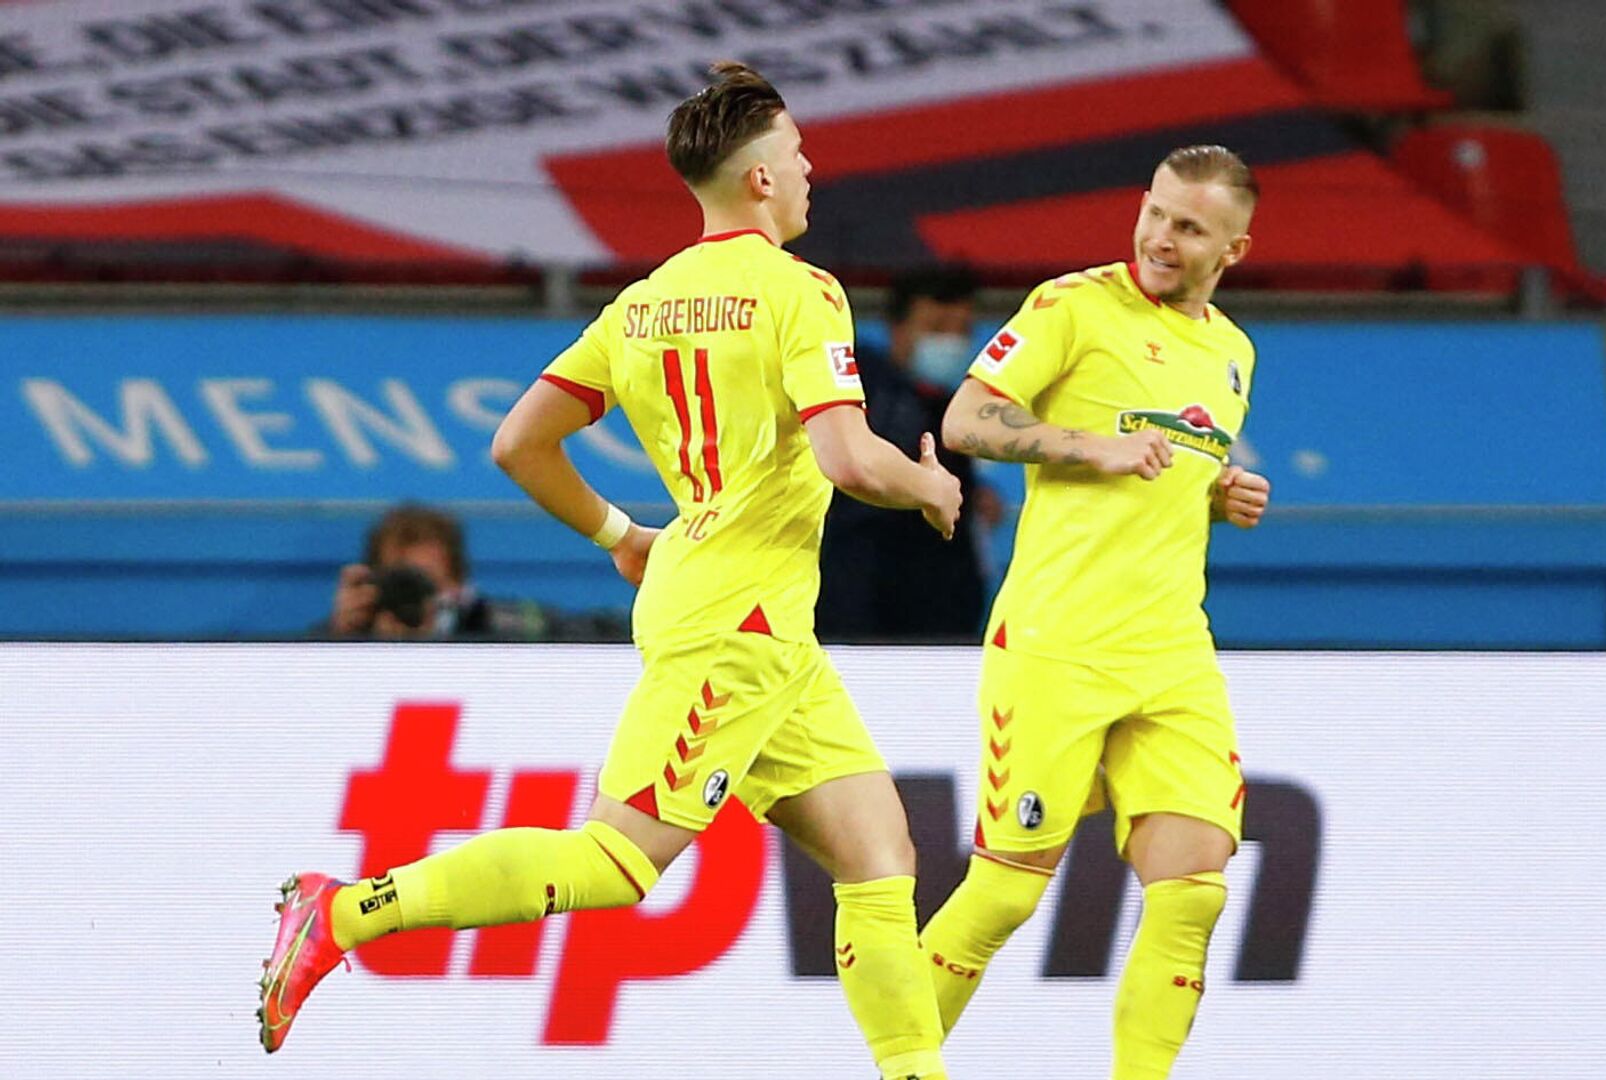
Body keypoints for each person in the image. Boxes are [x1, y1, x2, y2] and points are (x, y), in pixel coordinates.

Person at [258, 62, 963, 1080]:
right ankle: (347, 910)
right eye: (799, 152)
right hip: (738, 627)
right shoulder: (800, 291)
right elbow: (849, 457)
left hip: (746, 613)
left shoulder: (643, 304)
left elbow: (517, 444)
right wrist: (930, 487)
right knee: (616, 863)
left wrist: (620, 536)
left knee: (877, 854)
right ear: (760, 177)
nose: (810, 169)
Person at [917, 145, 1272, 1080]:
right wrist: (1082, 444)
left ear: (1232, 249)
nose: (1159, 236)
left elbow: (1165, 463)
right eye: (1154, 211)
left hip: (1171, 649)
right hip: (1057, 641)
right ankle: (896, 1061)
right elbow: (966, 420)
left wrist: (1215, 492)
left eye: (1188, 227)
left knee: (1193, 892)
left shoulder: (1234, 353)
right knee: (1001, 897)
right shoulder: (1072, 305)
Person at [817, 266, 1001, 641]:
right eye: (936, 329)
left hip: (942, 605)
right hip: (862, 600)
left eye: (961, 331)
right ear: (897, 330)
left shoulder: (954, 402)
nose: (951, 342)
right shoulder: (860, 392)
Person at [323, 503, 556, 640]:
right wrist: (339, 637)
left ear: (458, 586)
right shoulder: (348, 638)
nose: (412, 596)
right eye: (401, 583)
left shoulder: (499, 628)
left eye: (426, 582)